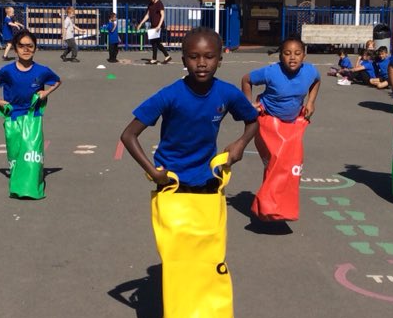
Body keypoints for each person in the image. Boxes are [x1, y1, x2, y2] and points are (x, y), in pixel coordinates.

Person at [121, 27, 258, 191]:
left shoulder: (227, 93)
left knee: (211, 217)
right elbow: (128, 135)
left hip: (208, 178)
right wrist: (153, 171)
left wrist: (241, 144)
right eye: (194, 57)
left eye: (209, 57)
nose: (201, 63)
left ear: (219, 60)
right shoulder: (169, 95)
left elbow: (253, 120)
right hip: (171, 180)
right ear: (184, 61)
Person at [240, 37, 320, 222]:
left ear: (304, 56)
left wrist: (311, 101)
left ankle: (282, 206)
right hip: (269, 120)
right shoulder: (271, 72)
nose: (292, 57)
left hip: (292, 124)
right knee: (277, 162)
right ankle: (267, 207)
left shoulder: (310, 71)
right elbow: (246, 79)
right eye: (287, 53)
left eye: (297, 53)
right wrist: (248, 104)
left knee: (293, 165)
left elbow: (317, 81)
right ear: (280, 56)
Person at [0, 30, 62, 118]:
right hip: (12, 115)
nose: (26, 50)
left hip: (33, 116)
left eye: (30, 46)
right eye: (21, 46)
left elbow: (57, 81)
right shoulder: (8, 70)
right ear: (15, 49)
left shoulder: (42, 70)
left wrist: (46, 92)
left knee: (33, 133)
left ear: (35, 48)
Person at [136, 0, 172, 65]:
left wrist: (159, 26)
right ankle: (158, 58)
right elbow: (147, 15)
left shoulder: (159, 3)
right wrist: (141, 23)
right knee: (154, 42)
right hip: (153, 26)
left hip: (158, 26)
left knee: (156, 42)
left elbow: (162, 15)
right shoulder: (150, 4)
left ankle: (165, 56)